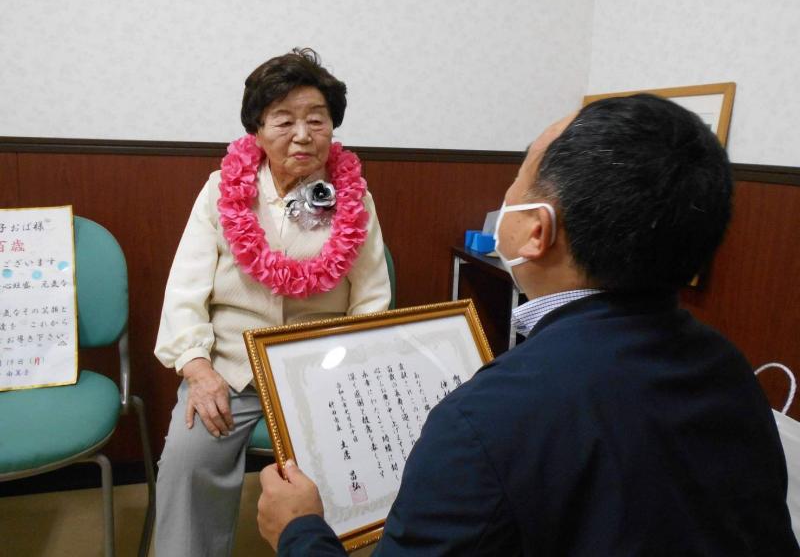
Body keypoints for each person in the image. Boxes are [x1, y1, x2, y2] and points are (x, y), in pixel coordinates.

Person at [257, 94, 800, 555]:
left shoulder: (481, 421)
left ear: (537, 231)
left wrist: (300, 531)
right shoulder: (729, 370)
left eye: (519, 177)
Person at [154, 48, 391, 557]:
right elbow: (185, 287)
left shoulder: (354, 197)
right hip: (231, 364)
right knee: (189, 458)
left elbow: (371, 298)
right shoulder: (222, 190)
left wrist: (347, 372)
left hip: (321, 365)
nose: (302, 135)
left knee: (346, 459)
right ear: (257, 129)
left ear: (333, 128)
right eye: (283, 120)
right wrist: (197, 367)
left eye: (317, 120)